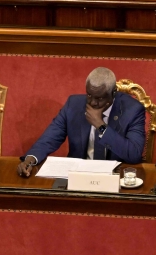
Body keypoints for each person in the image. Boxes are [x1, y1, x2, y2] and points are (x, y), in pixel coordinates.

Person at [17, 67, 146, 177]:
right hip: (78, 177)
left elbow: (134, 154)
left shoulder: (132, 110)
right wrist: (31, 158)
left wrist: (101, 126)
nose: (93, 103)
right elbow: (50, 138)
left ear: (113, 93)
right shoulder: (74, 105)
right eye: (89, 95)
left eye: (100, 98)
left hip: (115, 178)